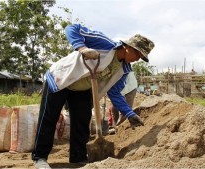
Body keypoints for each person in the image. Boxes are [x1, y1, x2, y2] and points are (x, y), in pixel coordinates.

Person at [32, 24, 154, 169]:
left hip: (83, 89)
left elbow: (114, 93)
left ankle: (78, 158)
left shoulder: (124, 70)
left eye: (141, 57)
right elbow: (72, 28)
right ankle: (40, 157)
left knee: (82, 123)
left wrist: (129, 113)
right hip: (62, 79)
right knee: (49, 118)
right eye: (138, 54)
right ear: (128, 47)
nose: (138, 59)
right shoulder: (104, 43)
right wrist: (82, 48)